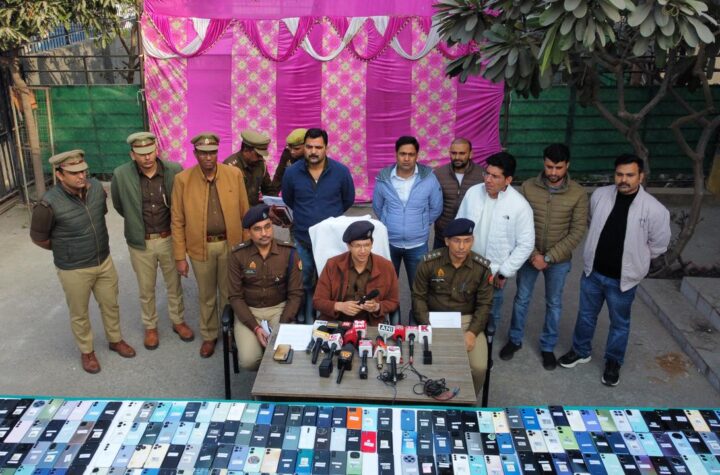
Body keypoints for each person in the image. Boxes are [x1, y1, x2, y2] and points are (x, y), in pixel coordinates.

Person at [559, 154, 671, 386]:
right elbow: (592, 221)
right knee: (586, 316)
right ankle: (580, 351)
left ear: (641, 176)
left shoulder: (655, 210)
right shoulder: (600, 195)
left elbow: (658, 246)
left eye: (630, 175)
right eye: (619, 174)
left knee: (619, 323)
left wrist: (636, 261)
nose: (624, 180)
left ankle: (613, 361)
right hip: (593, 273)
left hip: (623, 280)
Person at [30, 150, 136, 374]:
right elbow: (38, 238)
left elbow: (99, 214)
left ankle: (115, 340)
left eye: (83, 170)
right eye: (74, 172)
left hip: (103, 261)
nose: (81, 176)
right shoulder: (48, 204)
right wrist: (66, 249)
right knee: (79, 313)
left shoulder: (96, 188)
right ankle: (87, 352)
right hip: (74, 269)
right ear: (60, 175)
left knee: (110, 304)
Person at [500, 144, 588, 370]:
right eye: (549, 167)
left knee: (554, 303)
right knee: (521, 298)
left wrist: (548, 258)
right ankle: (514, 340)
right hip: (529, 256)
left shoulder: (578, 193)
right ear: (543, 163)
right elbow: (517, 224)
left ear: (567, 165)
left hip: (558, 261)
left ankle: (548, 347)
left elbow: (577, 230)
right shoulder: (528, 187)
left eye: (558, 168)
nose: (553, 172)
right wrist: (532, 254)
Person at [110, 132, 194, 351]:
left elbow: (183, 202)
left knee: (174, 284)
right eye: (141, 154)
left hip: (169, 238)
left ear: (157, 150)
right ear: (132, 155)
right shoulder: (121, 175)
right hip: (141, 242)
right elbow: (119, 205)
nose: (147, 157)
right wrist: (136, 223)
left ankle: (178, 320)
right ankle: (150, 326)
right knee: (146, 288)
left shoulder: (173, 170)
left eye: (150, 152)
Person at [171, 132, 250, 358]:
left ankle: (230, 332)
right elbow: (177, 220)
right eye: (203, 153)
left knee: (230, 293)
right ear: (195, 153)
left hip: (230, 245)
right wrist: (180, 256)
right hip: (201, 247)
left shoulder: (234, 174)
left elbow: (245, 213)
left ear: (217, 152)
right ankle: (209, 335)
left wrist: (246, 246)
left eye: (212, 152)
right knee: (206, 295)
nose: (208, 157)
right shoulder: (183, 180)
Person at [281, 128, 355, 323]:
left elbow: (348, 199)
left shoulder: (341, 171)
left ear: (326, 148)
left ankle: (328, 315)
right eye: (309, 147)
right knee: (303, 279)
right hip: (303, 238)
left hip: (331, 239)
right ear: (304, 147)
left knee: (330, 280)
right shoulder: (291, 173)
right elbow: (289, 199)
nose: (313, 151)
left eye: (318, 147)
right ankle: (305, 314)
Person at [412, 218, 494, 395]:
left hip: (467, 321)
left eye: (467, 241)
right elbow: (418, 297)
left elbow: (484, 304)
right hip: (433, 319)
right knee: (427, 364)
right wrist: (426, 324)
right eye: (457, 241)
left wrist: (472, 333)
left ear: (473, 241)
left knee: (479, 367)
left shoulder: (481, 267)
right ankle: (433, 398)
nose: (462, 247)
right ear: (447, 241)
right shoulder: (429, 263)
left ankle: (467, 401)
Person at [456, 151, 534, 333]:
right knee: (461, 308)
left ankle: (486, 348)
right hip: (466, 265)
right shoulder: (473, 192)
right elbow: (458, 224)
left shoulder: (520, 206)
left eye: (495, 176)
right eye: (487, 173)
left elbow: (526, 244)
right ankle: (462, 344)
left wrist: (504, 271)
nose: (488, 180)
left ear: (508, 180)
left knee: (490, 314)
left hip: (494, 272)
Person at [373, 136, 442, 324]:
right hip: (390, 243)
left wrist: (420, 224)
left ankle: (415, 322)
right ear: (396, 154)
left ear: (417, 155)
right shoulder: (384, 178)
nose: (406, 158)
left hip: (417, 244)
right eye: (402, 154)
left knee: (418, 289)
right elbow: (378, 206)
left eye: (411, 154)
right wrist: (389, 222)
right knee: (388, 287)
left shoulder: (429, 178)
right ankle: (393, 322)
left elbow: (436, 207)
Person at [228, 204, 303, 370]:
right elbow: (235, 296)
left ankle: (275, 380)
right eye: (258, 229)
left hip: (279, 310)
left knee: (284, 354)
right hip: (250, 311)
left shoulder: (289, 252)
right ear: (249, 232)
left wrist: (281, 327)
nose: (264, 233)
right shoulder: (237, 255)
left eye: (268, 226)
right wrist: (255, 328)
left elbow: (295, 294)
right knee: (249, 361)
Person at [313, 221, 399, 325]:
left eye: (367, 245)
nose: (363, 251)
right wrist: (339, 306)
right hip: (337, 322)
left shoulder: (386, 266)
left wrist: (377, 307)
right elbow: (318, 301)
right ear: (349, 246)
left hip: (371, 325)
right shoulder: (332, 265)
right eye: (358, 246)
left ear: (372, 244)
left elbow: (394, 301)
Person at [432, 138, 484, 249]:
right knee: (439, 261)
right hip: (443, 235)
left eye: (462, 153)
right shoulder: (439, 174)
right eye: (454, 153)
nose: (457, 157)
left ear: (470, 154)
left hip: (469, 236)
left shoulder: (482, 175)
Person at [223, 129, 278, 206]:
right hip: (235, 210)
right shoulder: (230, 167)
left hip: (254, 211)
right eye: (258, 155)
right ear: (246, 150)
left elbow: (269, 190)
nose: (261, 158)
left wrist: (275, 205)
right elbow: (226, 198)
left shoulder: (261, 165)